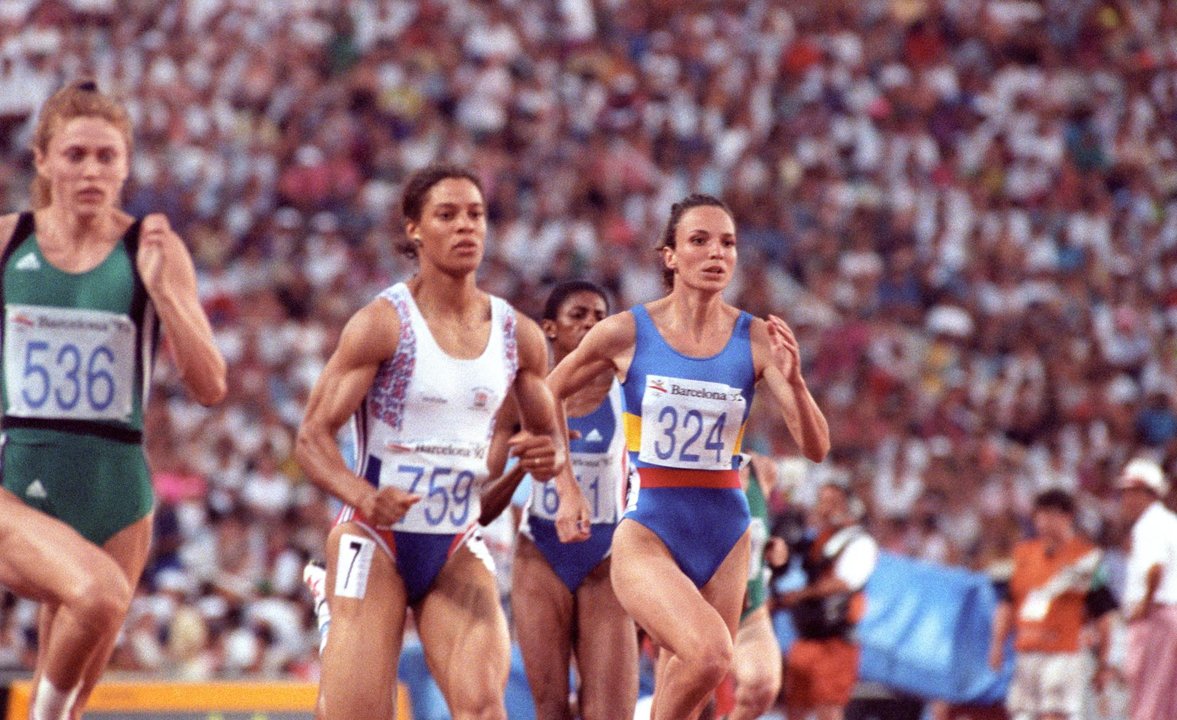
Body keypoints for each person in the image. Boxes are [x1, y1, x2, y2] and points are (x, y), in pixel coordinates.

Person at [294, 163, 566, 720]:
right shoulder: (382, 324)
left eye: (476, 214)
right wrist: (366, 497)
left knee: (484, 710)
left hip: (454, 540)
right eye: (447, 215)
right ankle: (337, 616)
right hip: (375, 537)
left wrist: (547, 457)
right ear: (414, 228)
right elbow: (312, 439)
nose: (466, 227)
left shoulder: (519, 336)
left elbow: (550, 439)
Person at [546, 193, 830, 720]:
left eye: (727, 243)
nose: (715, 252)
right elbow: (545, 397)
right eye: (699, 241)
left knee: (694, 691)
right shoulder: (626, 332)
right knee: (712, 655)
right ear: (670, 256)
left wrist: (795, 383)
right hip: (650, 527)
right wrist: (565, 486)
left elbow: (816, 447)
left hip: (727, 531)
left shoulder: (759, 339)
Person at [0, 80, 226, 720]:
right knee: (97, 597)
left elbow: (210, 386)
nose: (92, 170)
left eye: (107, 156)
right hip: (17, 481)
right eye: (75, 156)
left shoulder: (152, 250)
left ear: (127, 164)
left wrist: (169, 295)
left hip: (119, 497)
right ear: (43, 161)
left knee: (72, 692)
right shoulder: (10, 241)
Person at [478, 280, 639, 720]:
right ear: (549, 328)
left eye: (600, 316)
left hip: (607, 554)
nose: (591, 324)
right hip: (541, 552)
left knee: (609, 712)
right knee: (550, 709)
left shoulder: (629, 391)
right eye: (579, 316)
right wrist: (522, 469)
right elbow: (481, 509)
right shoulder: (518, 400)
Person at [988, 489, 1118, 720]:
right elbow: (1007, 603)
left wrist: (1104, 661)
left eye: (1050, 515)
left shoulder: (1085, 558)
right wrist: (997, 643)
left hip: (1062, 653)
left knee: (1054, 716)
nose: (1043, 522)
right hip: (1026, 650)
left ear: (1067, 517)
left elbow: (1104, 615)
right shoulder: (1023, 554)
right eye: (1039, 515)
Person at [776, 482, 878, 720]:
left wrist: (800, 595)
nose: (826, 508)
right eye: (823, 501)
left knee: (828, 709)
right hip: (806, 635)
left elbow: (844, 582)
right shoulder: (819, 539)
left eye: (833, 502)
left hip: (836, 642)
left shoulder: (860, 542)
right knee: (795, 707)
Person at [724, 453, 788, 720]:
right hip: (695, 610)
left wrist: (775, 547)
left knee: (760, 689)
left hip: (748, 616)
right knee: (692, 707)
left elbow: (758, 530)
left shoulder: (762, 470)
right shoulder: (684, 461)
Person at [1116, 457, 1177, 720]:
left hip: (1156, 615)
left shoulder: (1149, 524)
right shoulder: (1169, 521)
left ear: (1147, 493)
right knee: (1167, 699)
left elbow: (1155, 568)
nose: (1126, 500)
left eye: (1131, 492)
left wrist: (1145, 603)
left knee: (1146, 695)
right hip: (1170, 614)